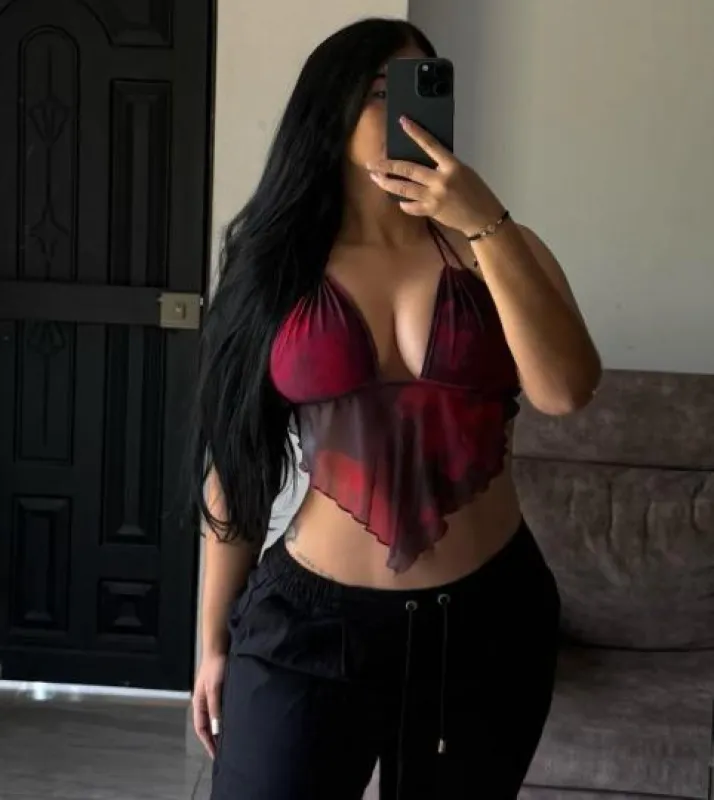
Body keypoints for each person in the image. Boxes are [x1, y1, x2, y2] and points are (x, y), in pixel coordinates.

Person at [189, 17, 601, 800]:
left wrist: (484, 220)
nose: (401, 107)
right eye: (378, 90)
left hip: (487, 622)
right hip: (310, 624)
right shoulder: (274, 266)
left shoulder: (498, 244)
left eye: (420, 86)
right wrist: (210, 640)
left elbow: (565, 390)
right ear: (331, 109)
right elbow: (235, 462)